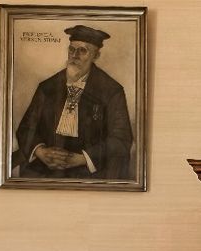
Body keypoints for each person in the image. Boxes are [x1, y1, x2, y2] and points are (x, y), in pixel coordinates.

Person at [12, 24, 133, 179]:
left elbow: (121, 139)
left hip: (88, 169)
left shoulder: (111, 91)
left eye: (82, 50)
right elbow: (26, 128)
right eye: (71, 49)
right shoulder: (47, 87)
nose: (75, 55)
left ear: (95, 56)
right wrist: (41, 152)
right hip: (46, 165)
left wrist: (82, 159)